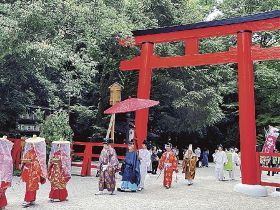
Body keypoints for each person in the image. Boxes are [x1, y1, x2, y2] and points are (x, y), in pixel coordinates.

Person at [21, 135, 47, 207]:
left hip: (35, 171)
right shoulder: (28, 152)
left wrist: (33, 162)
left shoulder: (39, 153)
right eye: (32, 144)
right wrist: (25, 162)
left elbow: (40, 162)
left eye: (34, 144)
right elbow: (24, 160)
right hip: (29, 170)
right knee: (29, 185)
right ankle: (30, 199)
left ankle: (29, 200)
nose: (33, 145)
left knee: (32, 185)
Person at [0, 136, 13, 210]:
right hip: (5, 177)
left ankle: (2, 205)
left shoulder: (4, 156)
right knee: (2, 191)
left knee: (1, 191)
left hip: (2, 176)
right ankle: (2, 205)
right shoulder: (8, 156)